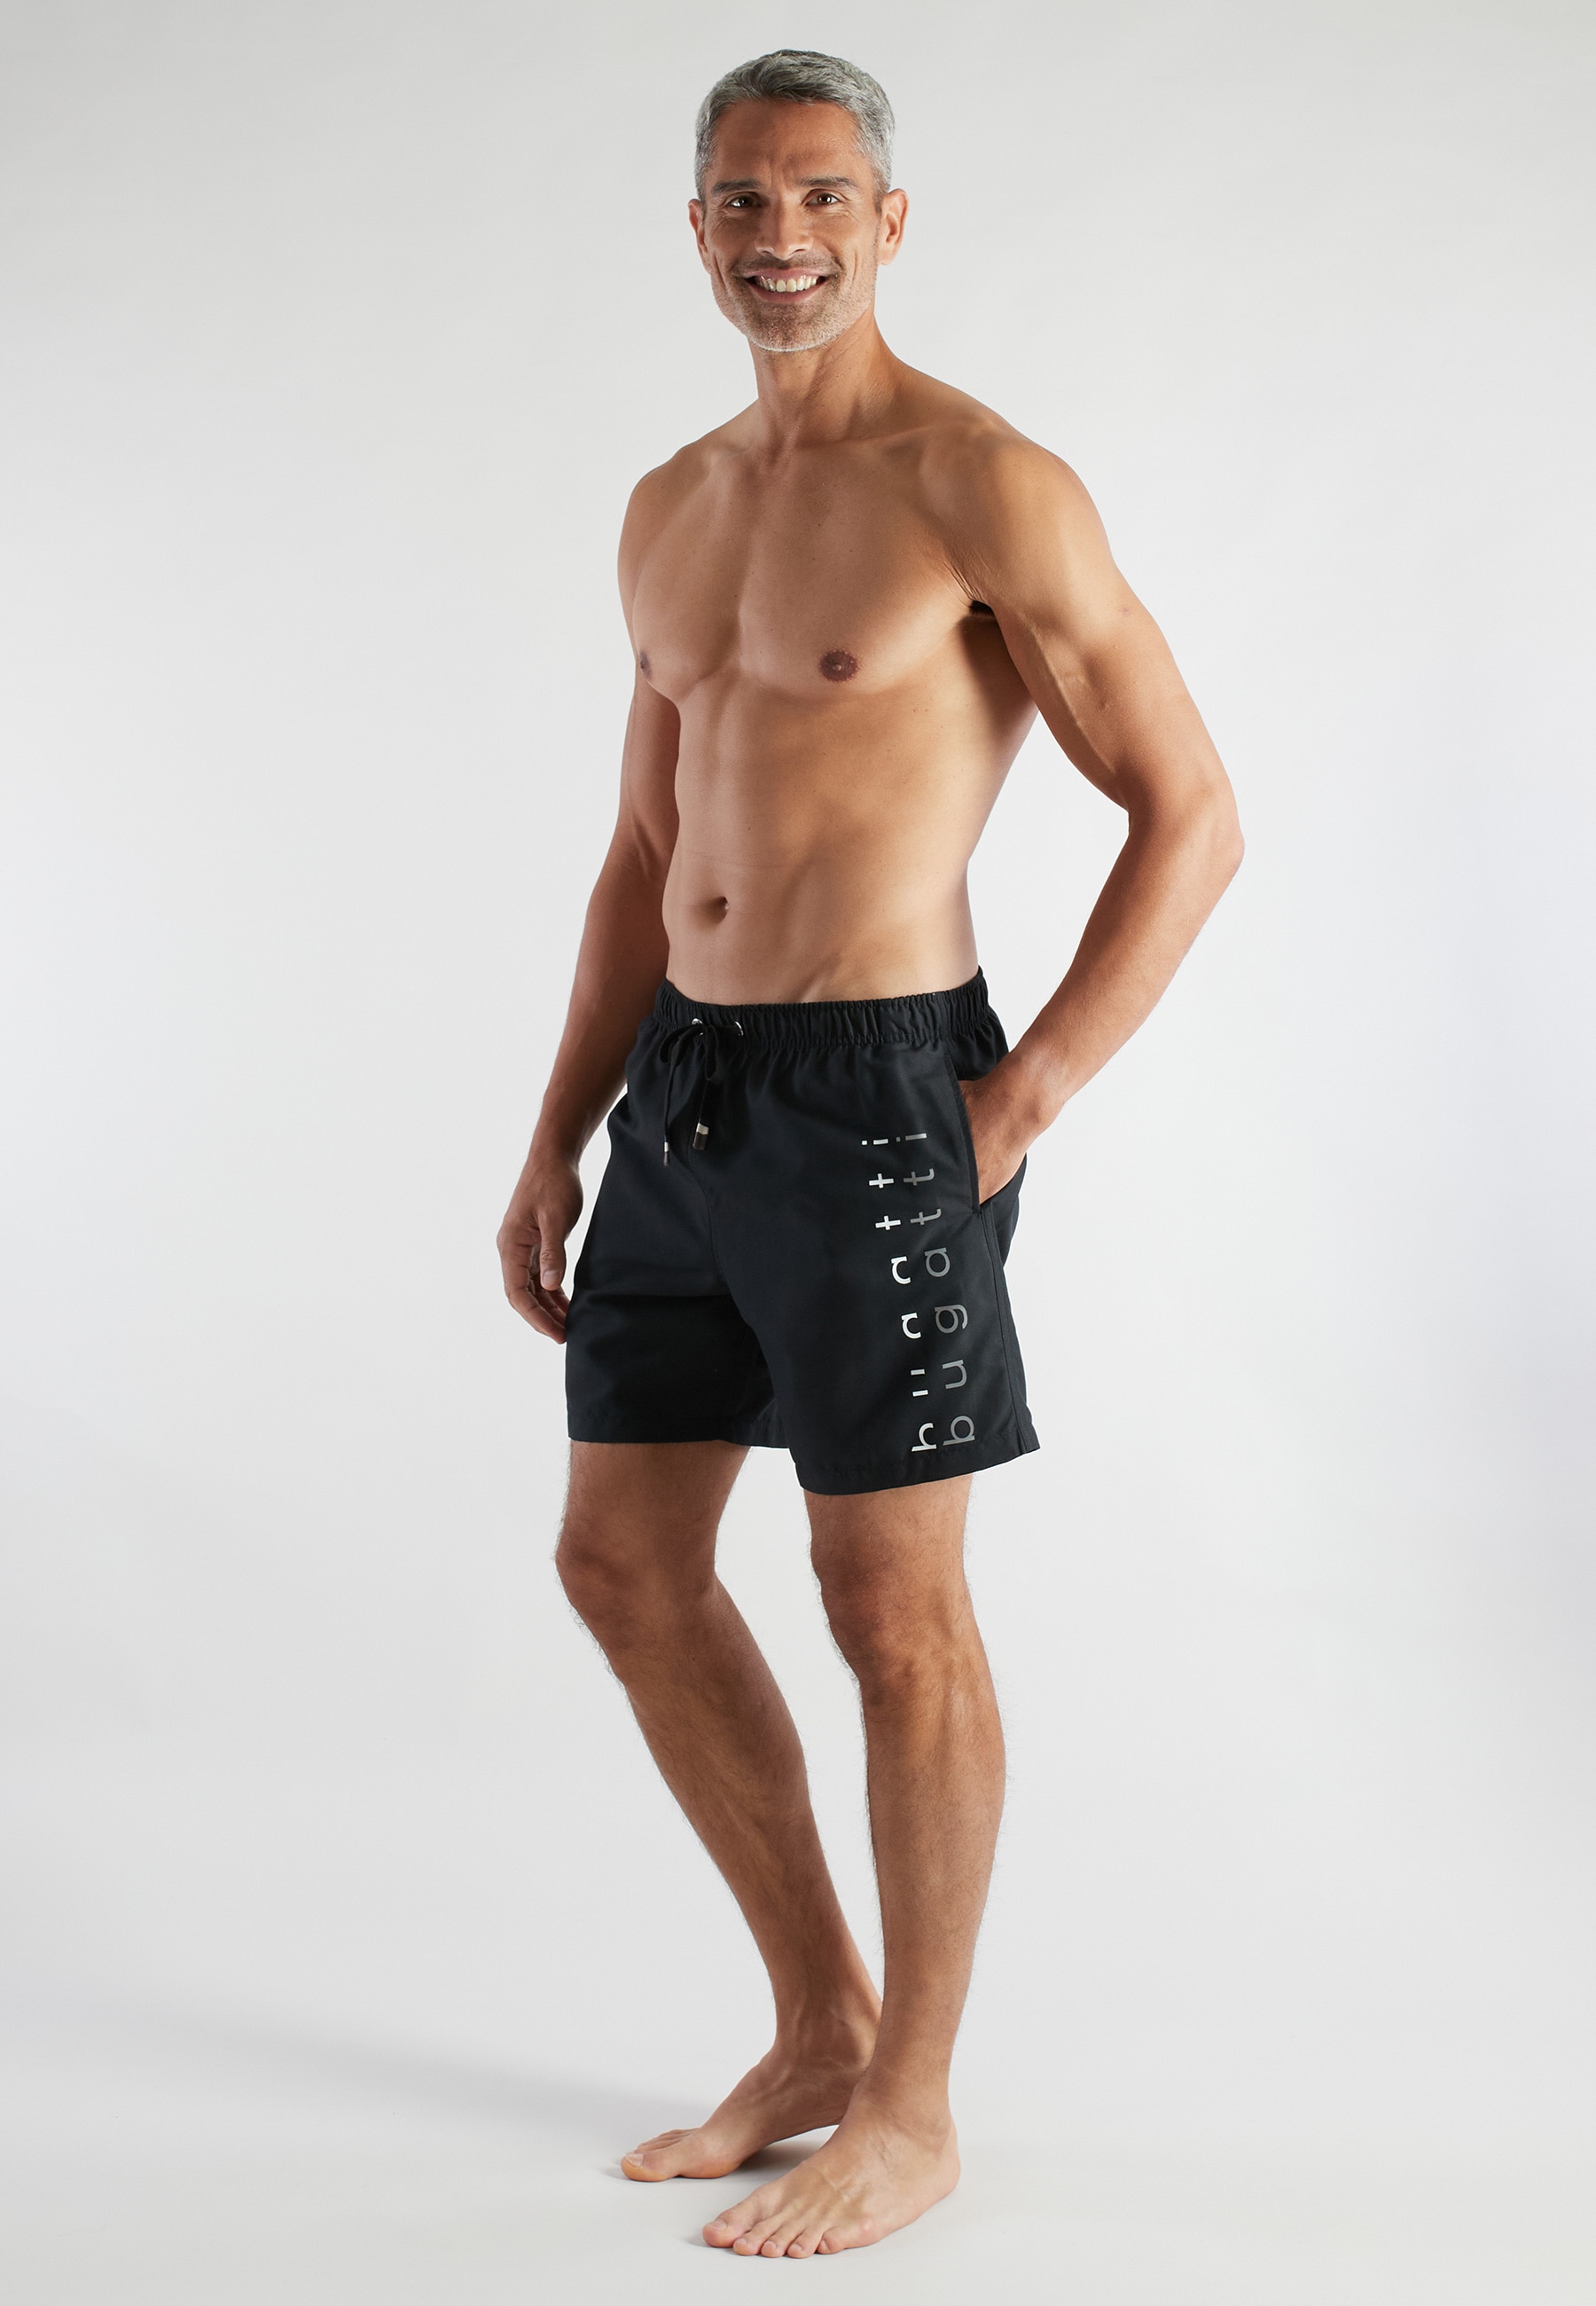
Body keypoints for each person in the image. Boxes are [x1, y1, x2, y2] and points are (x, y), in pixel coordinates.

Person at [497, 48, 1242, 2260]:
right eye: (743, 198)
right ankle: (818, 2021)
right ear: (698, 227)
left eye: (823, 194)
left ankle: (913, 2103)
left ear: (891, 221)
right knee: (622, 1566)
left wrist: (1019, 1100)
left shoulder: (984, 485)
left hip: (883, 1090)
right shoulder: (670, 503)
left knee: (889, 1609)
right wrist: (553, 1133)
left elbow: (1194, 813)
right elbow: (646, 857)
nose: (783, 235)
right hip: (686, 1091)